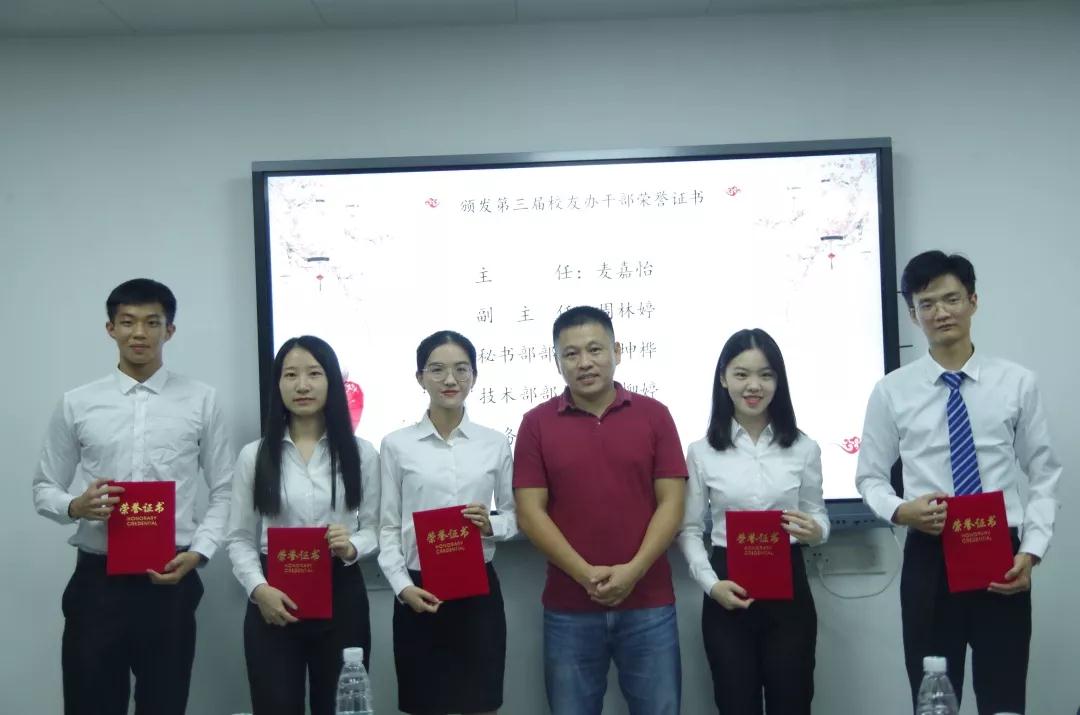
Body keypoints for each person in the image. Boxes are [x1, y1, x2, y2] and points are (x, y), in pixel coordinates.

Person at [855, 251, 1061, 714]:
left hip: (1000, 552)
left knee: (1003, 696)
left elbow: (1044, 471)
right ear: (913, 315)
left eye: (951, 299)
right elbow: (869, 476)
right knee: (935, 699)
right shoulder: (891, 391)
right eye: (926, 304)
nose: (941, 312)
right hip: (930, 553)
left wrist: (1031, 550)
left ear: (973, 301)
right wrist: (900, 510)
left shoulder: (1017, 383)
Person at [32, 278, 234, 715]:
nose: (139, 333)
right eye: (127, 322)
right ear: (110, 329)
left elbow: (225, 490)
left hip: (170, 579)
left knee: (164, 704)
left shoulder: (202, 401)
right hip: (97, 583)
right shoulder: (77, 403)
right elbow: (44, 487)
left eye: (151, 322)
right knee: (90, 704)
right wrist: (76, 506)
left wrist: (199, 553)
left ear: (169, 330)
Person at [513, 306, 687, 715]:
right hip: (569, 607)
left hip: (649, 602)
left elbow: (673, 502)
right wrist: (585, 575)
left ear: (617, 352)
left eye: (595, 349)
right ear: (556, 361)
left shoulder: (655, 415)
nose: (584, 362)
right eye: (571, 354)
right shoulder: (535, 424)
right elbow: (530, 513)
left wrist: (633, 571)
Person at [226, 335, 380, 715]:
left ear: (331, 381)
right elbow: (240, 538)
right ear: (278, 384)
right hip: (274, 593)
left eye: (314, 373)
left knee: (340, 705)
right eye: (291, 375)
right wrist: (259, 589)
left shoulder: (361, 453)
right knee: (276, 704)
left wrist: (353, 545)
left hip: (340, 591)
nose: (302, 385)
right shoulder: (254, 455)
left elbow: (376, 528)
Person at [678, 328, 828, 715]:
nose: (754, 386)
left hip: (789, 586)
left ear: (779, 380)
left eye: (766, 374)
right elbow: (690, 530)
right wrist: (711, 585)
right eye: (741, 374)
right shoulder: (702, 452)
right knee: (735, 703)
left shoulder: (804, 448)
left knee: (792, 702)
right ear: (723, 378)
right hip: (727, 585)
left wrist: (816, 531)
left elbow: (817, 514)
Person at [378, 330, 516, 715]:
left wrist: (492, 525)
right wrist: (403, 587)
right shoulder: (396, 445)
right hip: (418, 590)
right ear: (420, 378)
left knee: (480, 704)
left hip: (478, 591)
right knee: (425, 704)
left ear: (474, 376)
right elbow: (387, 528)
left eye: (461, 369)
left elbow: (515, 516)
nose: (450, 380)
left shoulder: (494, 443)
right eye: (437, 370)